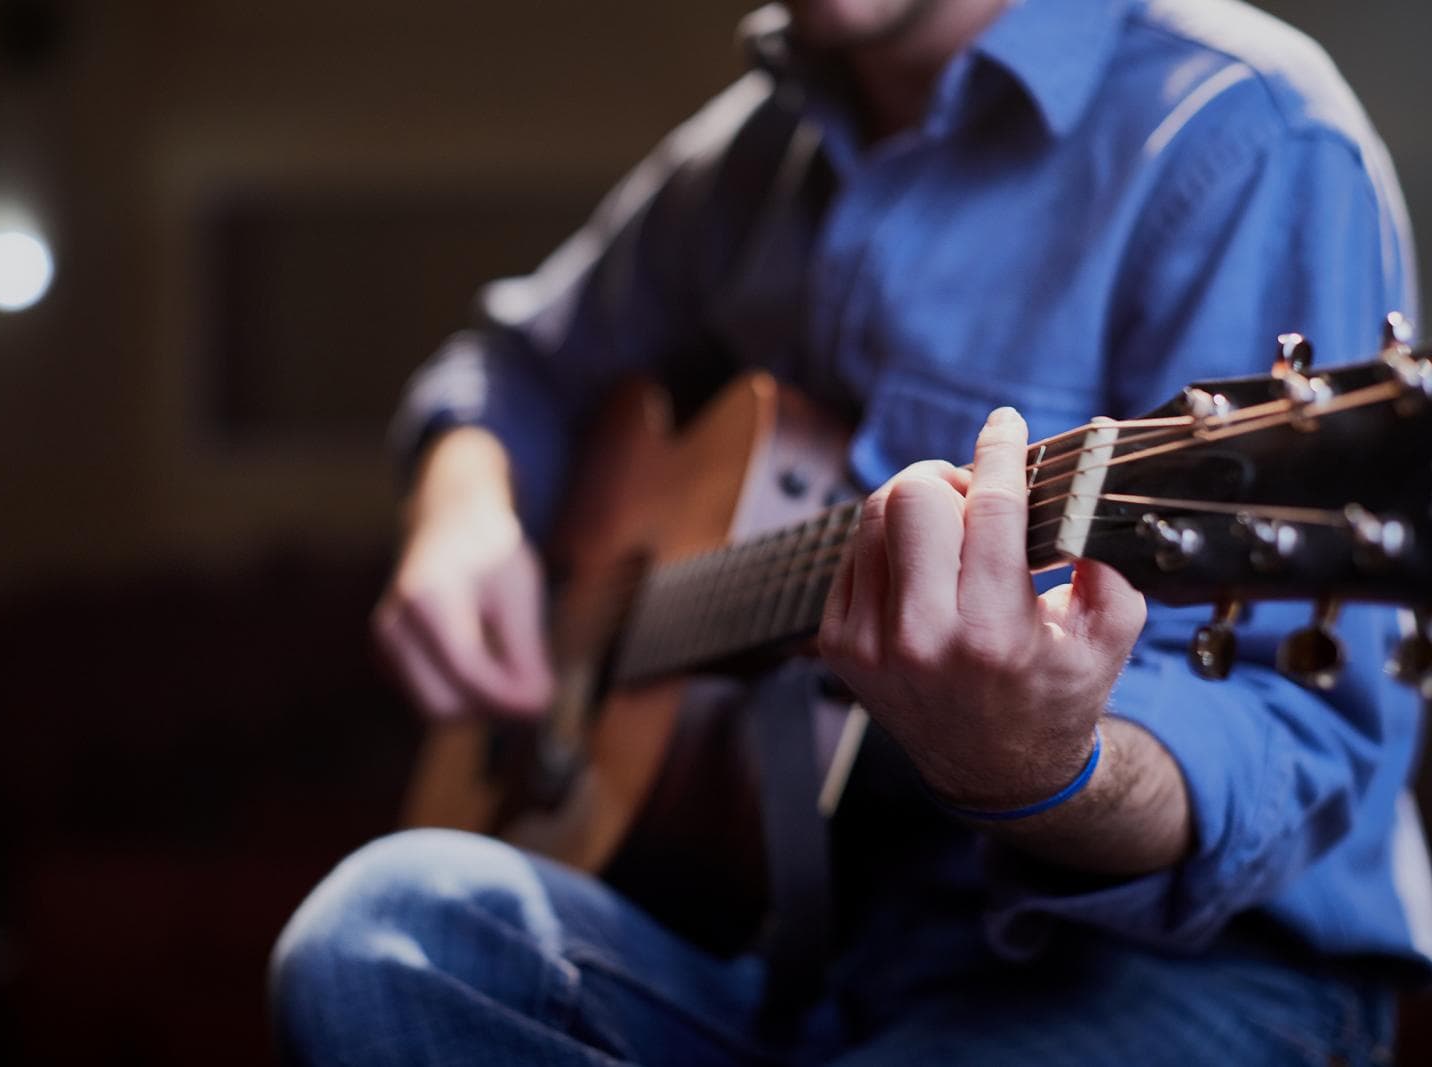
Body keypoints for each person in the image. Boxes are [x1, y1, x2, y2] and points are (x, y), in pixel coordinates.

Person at [271, 0, 1432, 1062]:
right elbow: (510, 364)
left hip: (1164, 982)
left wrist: (1039, 766)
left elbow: (1301, 732)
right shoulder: (752, 152)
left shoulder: (1247, 135)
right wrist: (463, 507)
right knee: (380, 941)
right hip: (796, 937)